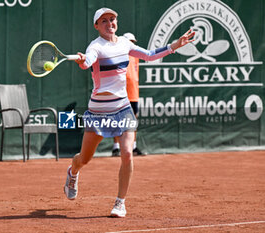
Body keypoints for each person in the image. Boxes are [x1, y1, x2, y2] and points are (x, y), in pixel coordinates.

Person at [64, 7, 194, 217]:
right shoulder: (95, 46)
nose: (109, 24)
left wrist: (174, 46)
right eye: (104, 21)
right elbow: (88, 60)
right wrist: (82, 61)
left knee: (126, 153)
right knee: (85, 159)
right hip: (98, 112)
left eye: (112, 19)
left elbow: (150, 56)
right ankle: (73, 171)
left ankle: (120, 202)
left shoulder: (125, 43)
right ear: (96, 26)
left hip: (123, 109)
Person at [112, 32, 142, 157]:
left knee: (132, 122)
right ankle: (116, 148)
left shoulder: (136, 57)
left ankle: (133, 147)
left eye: (133, 42)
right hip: (121, 94)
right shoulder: (118, 56)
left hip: (134, 94)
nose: (132, 44)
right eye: (129, 42)